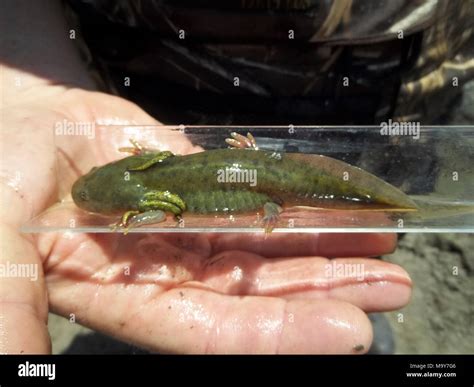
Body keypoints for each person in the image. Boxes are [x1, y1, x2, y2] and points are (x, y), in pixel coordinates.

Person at [0, 1, 411, 354]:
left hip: (388, 62)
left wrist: (129, 221)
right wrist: (30, 93)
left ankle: (373, 249)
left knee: (360, 215)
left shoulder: (148, 193)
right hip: (142, 49)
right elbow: (158, 165)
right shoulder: (150, 173)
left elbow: (158, 197)